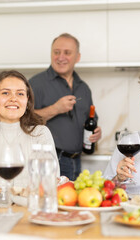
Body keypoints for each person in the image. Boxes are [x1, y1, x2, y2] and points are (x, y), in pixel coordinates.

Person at [29, 33, 102, 181]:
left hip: (77, 161)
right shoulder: (35, 84)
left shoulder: (83, 88)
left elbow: (91, 120)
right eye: (56, 52)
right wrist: (55, 108)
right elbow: (23, 121)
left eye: (67, 53)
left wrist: (96, 134)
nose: (60, 57)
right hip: (49, 162)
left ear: (77, 57)